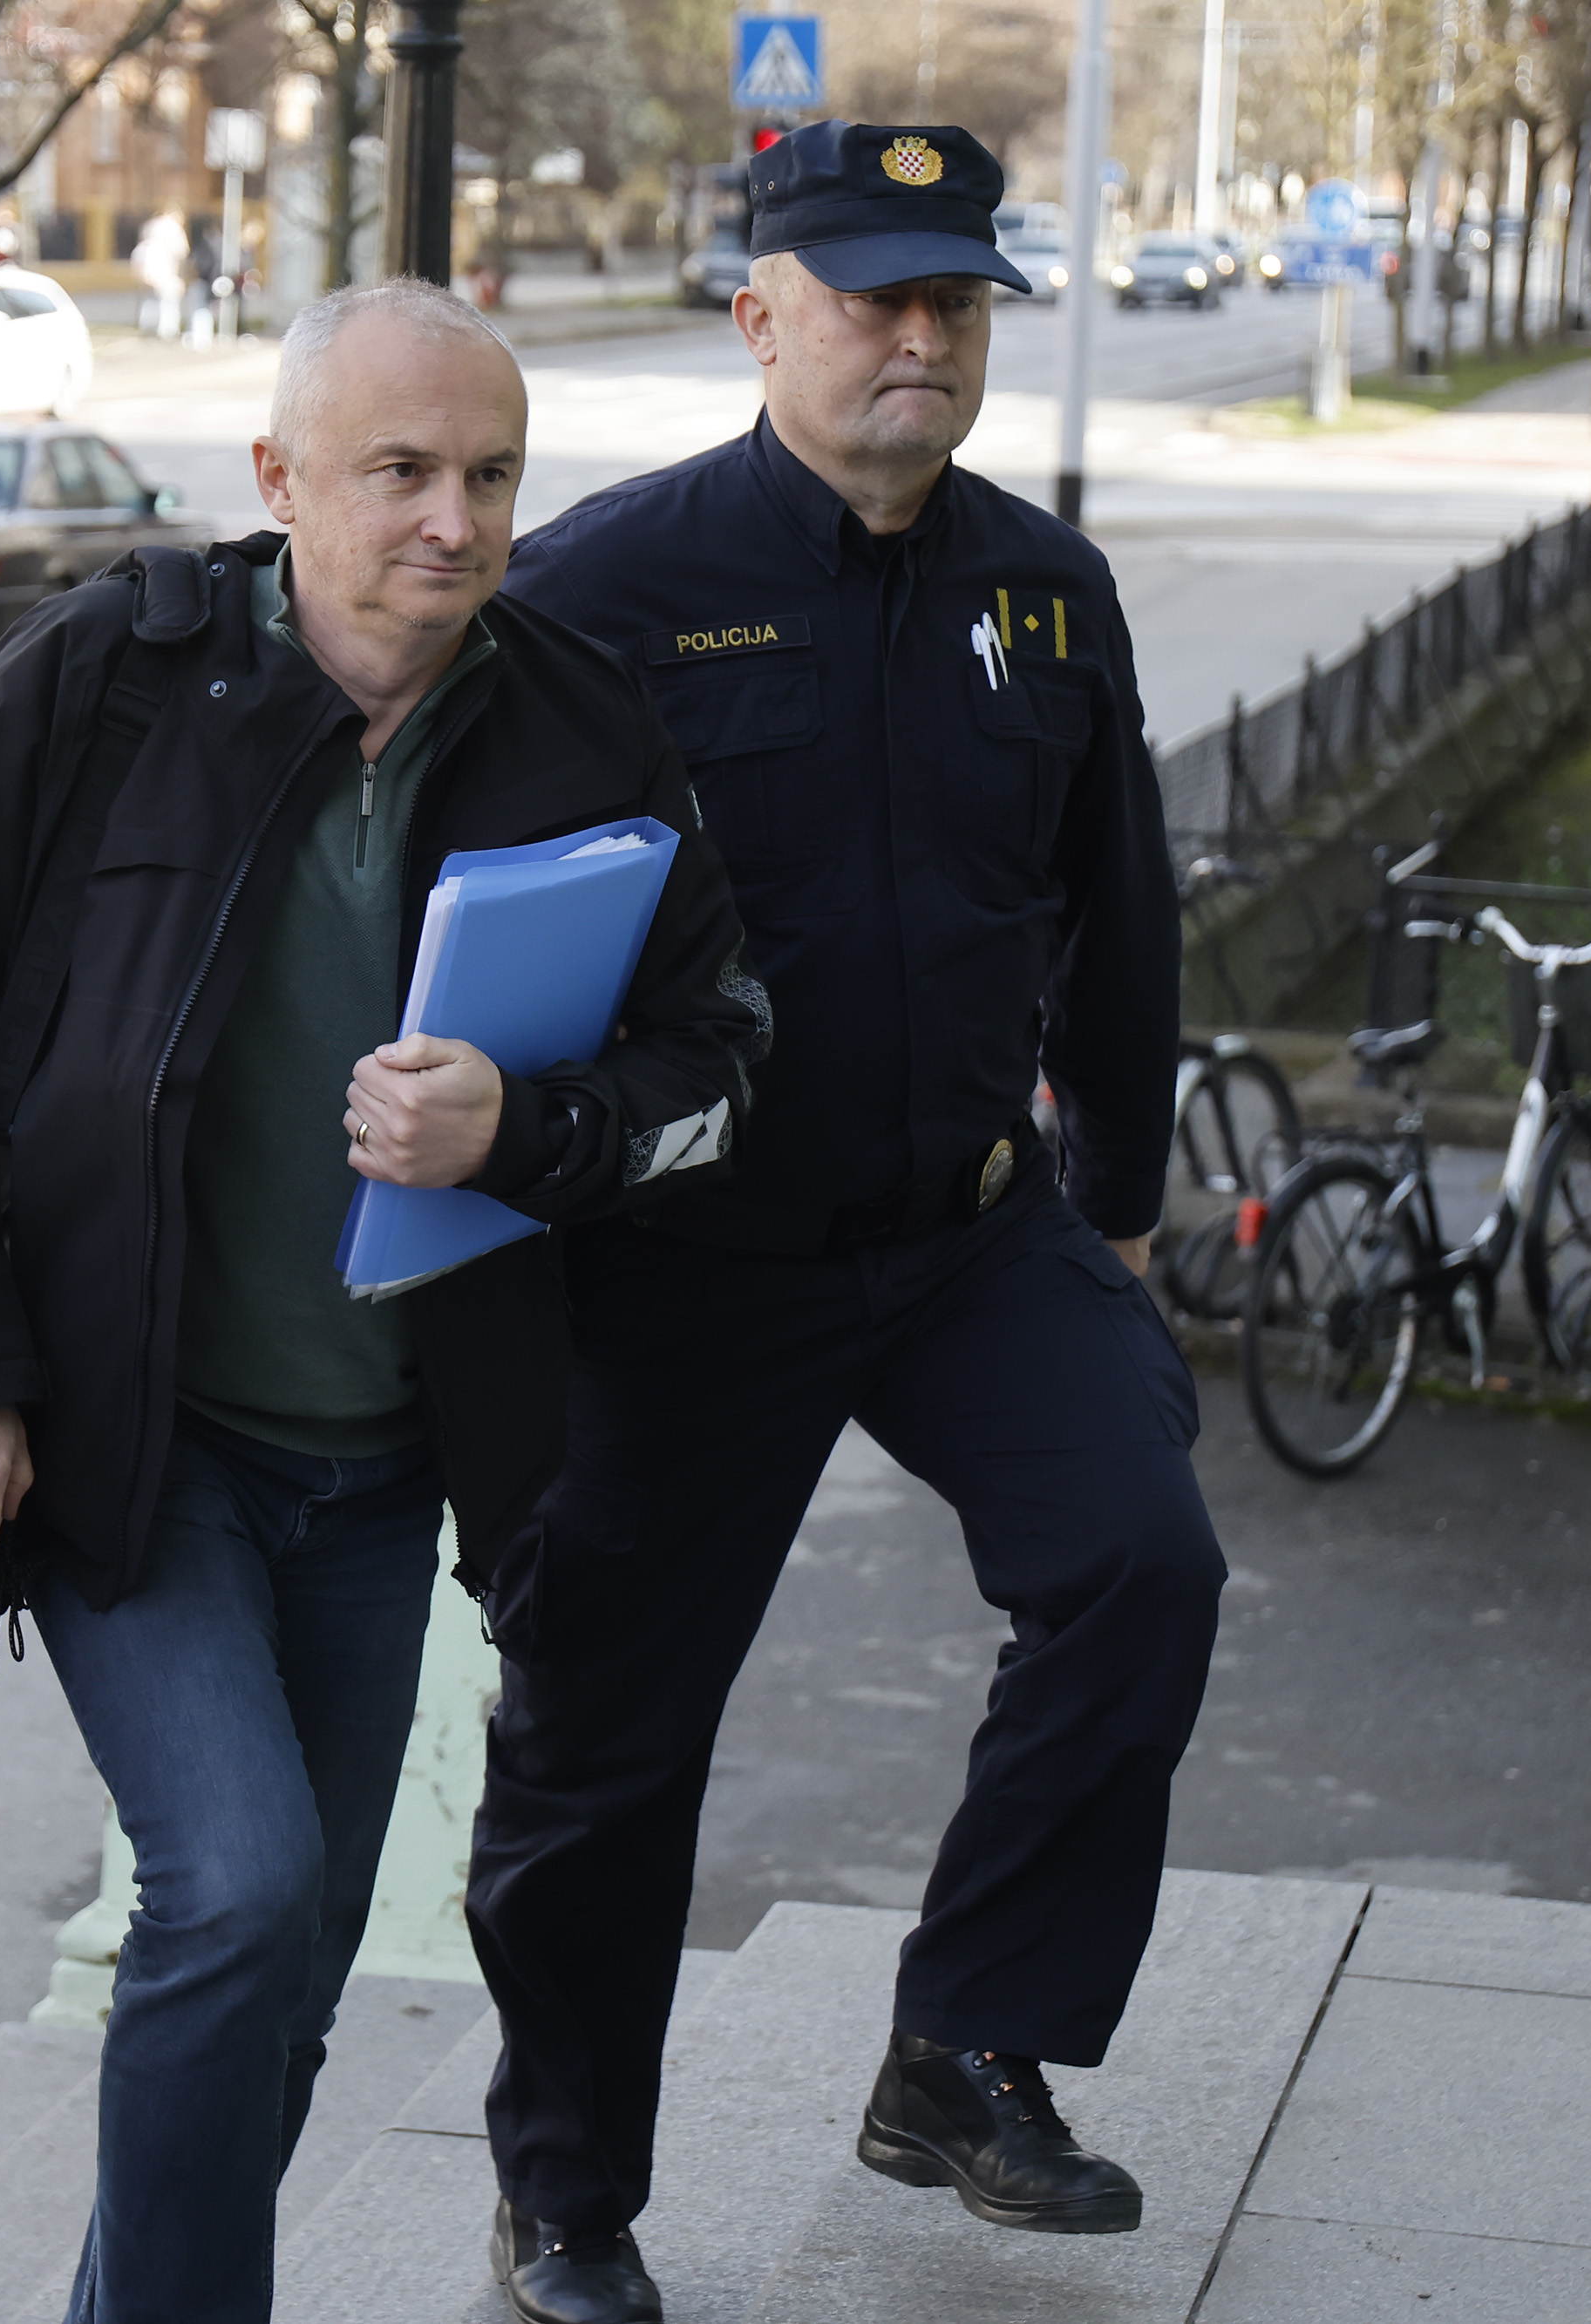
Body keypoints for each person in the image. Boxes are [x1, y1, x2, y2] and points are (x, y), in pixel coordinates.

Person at [0, 281, 768, 2324]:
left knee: (284, 1968)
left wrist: (532, 1123)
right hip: (140, 1448)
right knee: (231, 1886)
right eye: (399, 469)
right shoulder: (114, 680)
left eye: (489, 472)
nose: (453, 519)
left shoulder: (581, 718)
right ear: (279, 478)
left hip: (396, 1464)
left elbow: (722, 1072)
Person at [465, 121, 1227, 2322]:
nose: (921, 332)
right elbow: (482, 938)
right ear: (761, 315)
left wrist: (1125, 1213)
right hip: (685, 1263)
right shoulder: (600, 590)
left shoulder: (1043, 587)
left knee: (1135, 1556)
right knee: (603, 1735)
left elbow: (1120, 918)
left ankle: (967, 2045)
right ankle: (567, 2185)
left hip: (973, 1233)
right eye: (875, 295)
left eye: (958, 297)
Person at [132, 209, 192, 340]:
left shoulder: (150, 228)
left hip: (149, 269)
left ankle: (147, 327)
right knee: (169, 300)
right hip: (165, 268)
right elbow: (181, 251)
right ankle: (167, 330)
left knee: (150, 299)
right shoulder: (173, 229)